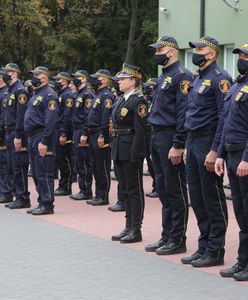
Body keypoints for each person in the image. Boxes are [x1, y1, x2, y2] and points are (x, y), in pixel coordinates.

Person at [181, 36, 232, 267]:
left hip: (207, 143)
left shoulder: (220, 79)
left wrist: (215, 150)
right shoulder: (198, 77)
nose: (196, 52)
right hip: (193, 142)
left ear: (212, 53)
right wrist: (185, 145)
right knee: (198, 198)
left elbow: (224, 117)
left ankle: (215, 250)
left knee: (212, 198)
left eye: (200, 49)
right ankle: (203, 246)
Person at [145, 36, 192, 255]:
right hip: (156, 136)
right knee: (163, 188)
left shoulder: (182, 76)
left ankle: (177, 238)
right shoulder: (164, 75)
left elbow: (183, 113)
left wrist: (178, 144)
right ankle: (167, 235)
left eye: (160, 49)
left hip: (170, 136)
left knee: (175, 189)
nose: (157, 53)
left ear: (172, 51)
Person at [215, 44, 248, 281]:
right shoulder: (236, 85)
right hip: (231, 154)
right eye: (241, 56)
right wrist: (219, 153)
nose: (242, 59)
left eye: (246, 56)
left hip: (245, 157)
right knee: (240, 212)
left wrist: (247, 158)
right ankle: (243, 261)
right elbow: (225, 124)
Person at [111, 63, 148, 243]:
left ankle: (136, 228)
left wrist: (136, 154)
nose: (119, 82)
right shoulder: (121, 99)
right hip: (119, 147)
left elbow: (141, 131)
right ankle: (127, 226)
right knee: (125, 189)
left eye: (123, 79)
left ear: (133, 81)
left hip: (130, 149)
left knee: (134, 190)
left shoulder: (139, 102)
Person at [24, 66, 58, 215]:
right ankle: (41, 201)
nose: (34, 78)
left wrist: (44, 141)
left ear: (44, 78)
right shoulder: (36, 94)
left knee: (44, 171)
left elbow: (50, 121)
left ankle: (47, 204)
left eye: (36, 75)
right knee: (37, 171)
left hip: (42, 136)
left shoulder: (49, 95)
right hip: (32, 136)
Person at [4, 63, 30, 209]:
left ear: (14, 74)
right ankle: (17, 195)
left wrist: (19, 136)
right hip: (9, 131)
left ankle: (23, 197)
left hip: (16, 132)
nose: (4, 75)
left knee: (19, 165)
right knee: (12, 165)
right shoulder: (11, 90)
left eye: (7, 72)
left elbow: (21, 117)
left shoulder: (20, 91)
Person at [85, 69, 113, 206]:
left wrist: (103, 135)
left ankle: (103, 196)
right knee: (95, 166)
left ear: (105, 80)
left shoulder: (106, 95)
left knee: (102, 166)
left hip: (99, 133)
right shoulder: (98, 94)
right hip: (92, 133)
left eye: (98, 78)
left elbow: (105, 117)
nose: (95, 80)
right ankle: (98, 194)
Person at [70, 70, 94, 200]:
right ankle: (82, 188)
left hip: (82, 130)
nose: (76, 79)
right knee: (78, 161)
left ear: (84, 79)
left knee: (84, 161)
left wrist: (85, 133)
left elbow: (87, 116)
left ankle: (86, 190)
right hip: (76, 129)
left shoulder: (87, 94)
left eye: (78, 77)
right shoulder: (78, 93)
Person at [53, 72, 75, 196]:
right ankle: (63, 184)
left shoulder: (67, 95)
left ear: (65, 81)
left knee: (65, 159)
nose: (57, 82)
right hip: (59, 129)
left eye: (59, 80)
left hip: (64, 131)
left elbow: (67, 116)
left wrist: (64, 133)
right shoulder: (61, 94)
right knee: (60, 159)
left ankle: (66, 186)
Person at [143, 78, 158, 198]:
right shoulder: (148, 101)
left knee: (153, 160)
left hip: (152, 131)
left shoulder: (154, 100)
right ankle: (156, 186)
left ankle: (157, 186)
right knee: (149, 158)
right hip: (147, 132)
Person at [0, 70, 12, 204]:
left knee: (3, 164)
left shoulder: (4, 94)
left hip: (3, 135)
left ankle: (6, 192)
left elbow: (4, 117)